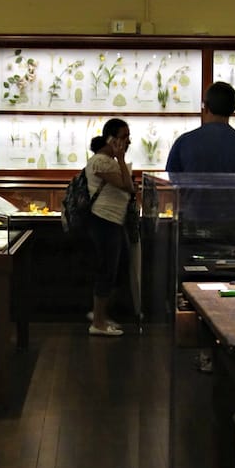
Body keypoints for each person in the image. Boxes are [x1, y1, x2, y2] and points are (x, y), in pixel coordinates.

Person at [165, 82, 235, 370]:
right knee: (231, 287)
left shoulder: (185, 142)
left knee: (197, 289)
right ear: (234, 110)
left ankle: (205, 351)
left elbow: (174, 184)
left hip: (193, 226)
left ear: (204, 106)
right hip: (233, 228)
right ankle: (232, 348)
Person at [85, 119, 134, 337]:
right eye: (124, 137)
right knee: (106, 270)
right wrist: (122, 160)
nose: (128, 141)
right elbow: (127, 186)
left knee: (116, 269)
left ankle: (100, 314)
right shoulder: (101, 162)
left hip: (114, 221)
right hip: (104, 221)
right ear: (111, 139)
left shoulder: (108, 161)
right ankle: (97, 322)